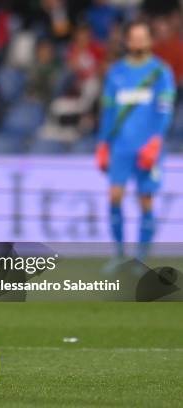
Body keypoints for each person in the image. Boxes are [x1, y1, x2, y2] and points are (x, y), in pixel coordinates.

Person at [95, 21, 175, 263]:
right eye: (134, 38)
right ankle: (119, 254)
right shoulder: (116, 73)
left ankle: (141, 256)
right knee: (114, 196)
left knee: (146, 199)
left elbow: (165, 110)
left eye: (143, 37)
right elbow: (108, 112)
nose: (138, 42)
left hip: (148, 147)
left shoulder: (161, 72)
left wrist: (155, 141)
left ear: (150, 40)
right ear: (127, 41)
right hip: (120, 147)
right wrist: (102, 143)